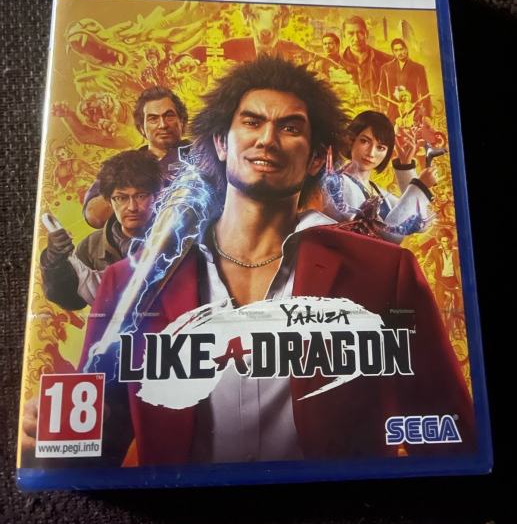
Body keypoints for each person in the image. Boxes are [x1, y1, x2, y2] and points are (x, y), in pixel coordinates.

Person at [74, 57, 474, 466]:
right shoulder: (131, 282)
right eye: (251, 122)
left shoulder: (385, 274)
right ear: (221, 143)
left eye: (290, 128)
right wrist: (54, 439)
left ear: (317, 158)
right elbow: (90, 445)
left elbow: (454, 442)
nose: (267, 139)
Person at [40, 150, 162, 311]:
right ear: (109, 202)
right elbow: (71, 301)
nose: (132, 207)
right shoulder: (91, 246)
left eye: (141, 196)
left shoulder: (177, 238)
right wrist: (54, 259)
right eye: (121, 198)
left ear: (156, 196)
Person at [323, 110, 437, 242]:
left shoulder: (378, 192)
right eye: (364, 141)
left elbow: (424, 222)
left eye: (381, 147)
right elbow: (388, 235)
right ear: (351, 140)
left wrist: (406, 167)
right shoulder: (338, 183)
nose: (371, 153)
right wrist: (419, 187)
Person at [83, 86, 188, 229]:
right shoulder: (123, 165)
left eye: (169, 116)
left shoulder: (206, 155)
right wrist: (132, 181)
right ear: (141, 128)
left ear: (182, 122)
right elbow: (94, 216)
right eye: (153, 119)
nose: (163, 125)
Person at [377, 38, 431, 121]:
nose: (399, 53)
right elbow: (382, 92)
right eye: (396, 50)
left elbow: (425, 92)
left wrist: (427, 115)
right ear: (393, 52)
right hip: (392, 113)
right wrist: (383, 113)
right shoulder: (386, 68)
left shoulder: (418, 68)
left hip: (412, 110)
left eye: (401, 49)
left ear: (406, 49)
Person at [341, 15, 391, 103]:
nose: (356, 39)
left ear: (366, 34)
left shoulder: (387, 61)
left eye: (360, 33)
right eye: (351, 33)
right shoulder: (336, 62)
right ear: (344, 36)